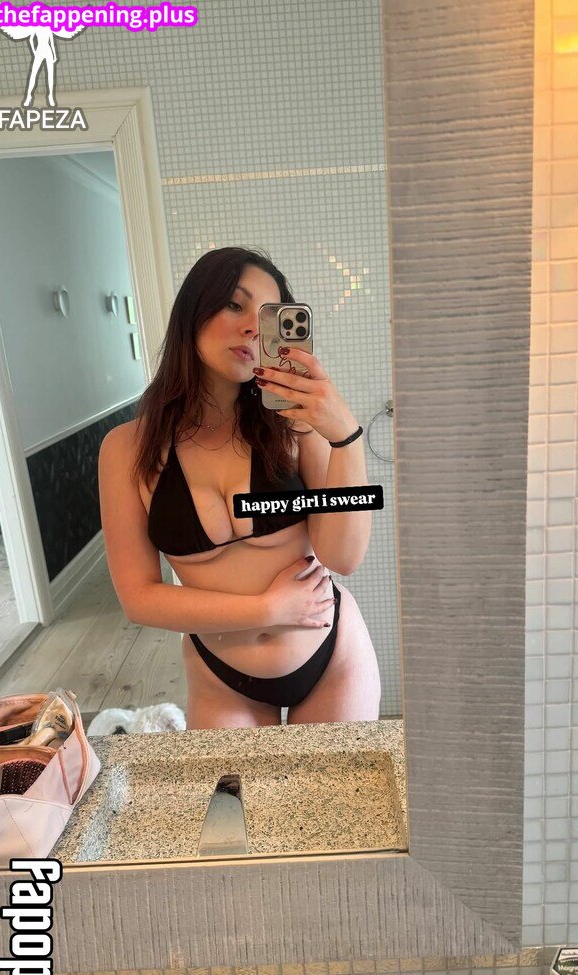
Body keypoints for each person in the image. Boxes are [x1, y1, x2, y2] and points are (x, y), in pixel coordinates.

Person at [98, 246, 381, 729]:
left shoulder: (295, 426)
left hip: (331, 656)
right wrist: (266, 608)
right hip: (221, 677)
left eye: (268, 316)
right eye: (235, 304)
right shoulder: (127, 448)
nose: (253, 327)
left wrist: (344, 437)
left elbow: (343, 557)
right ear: (194, 310)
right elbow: (138, 597)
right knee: (235, 784)